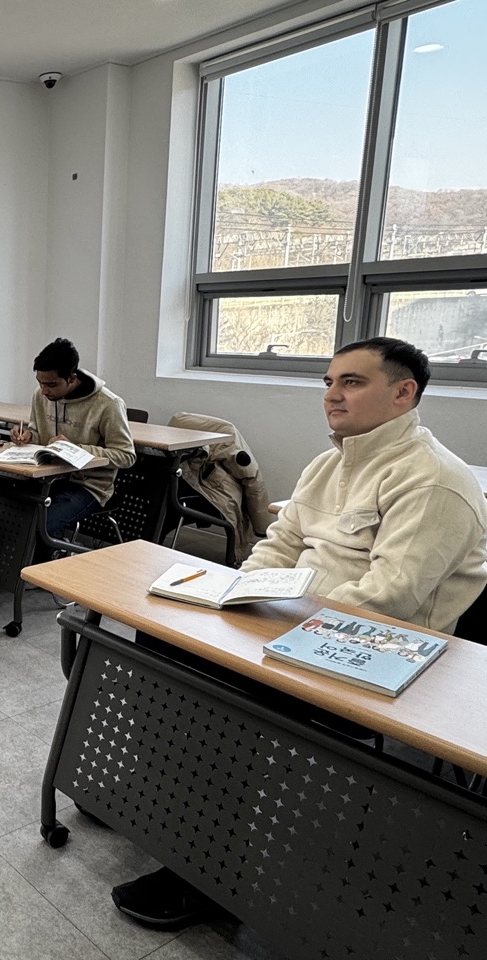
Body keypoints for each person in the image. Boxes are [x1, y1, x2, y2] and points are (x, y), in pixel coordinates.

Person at [110, 336, 487, 931]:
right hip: (293, 627)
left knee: (223, 705)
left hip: (373, 657)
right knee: (162, 641)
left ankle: (207, 867)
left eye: (352, 382)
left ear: (403, 393)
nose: (332, 395)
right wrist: (240, 597)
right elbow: (278, 544)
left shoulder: (434, 481)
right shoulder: (329, 464)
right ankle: (167, 791)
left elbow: (387, 599)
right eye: (329, 383)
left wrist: (274, 630)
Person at [9, 337, 136, 539]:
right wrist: (28, 436)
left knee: (45, 524)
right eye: (40, 383)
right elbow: (40, 435)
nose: (44, 390)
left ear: (72, 378)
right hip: (47, 477)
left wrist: (75, 449)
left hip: (88, 485)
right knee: (9, 511)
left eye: (51, 384)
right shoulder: (41, 395)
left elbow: (126, 456)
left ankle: (54, 557)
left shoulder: (108, 404)